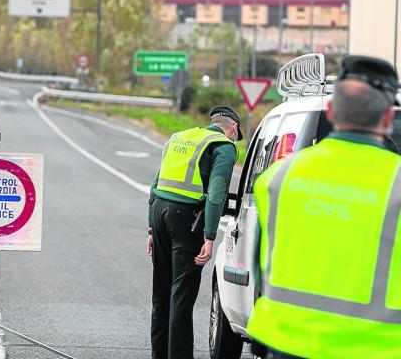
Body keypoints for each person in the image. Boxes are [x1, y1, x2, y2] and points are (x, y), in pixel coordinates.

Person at [248, 55, 401, 359]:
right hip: (376, 350)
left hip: (286, 343)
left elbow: (259, 266)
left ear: (331, 111)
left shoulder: (279, 176)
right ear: (387, 118)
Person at [148, 107, 241, 359]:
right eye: (236, 134)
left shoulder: (181, 137)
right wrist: (210, 236)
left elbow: (156, 184)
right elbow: (217, 192)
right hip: (186, 221)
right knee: (181, 295)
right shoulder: (224, 146)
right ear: (233, 128)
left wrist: (150, 228)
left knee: (161, 294)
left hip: (159, 214)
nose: (234, 138)